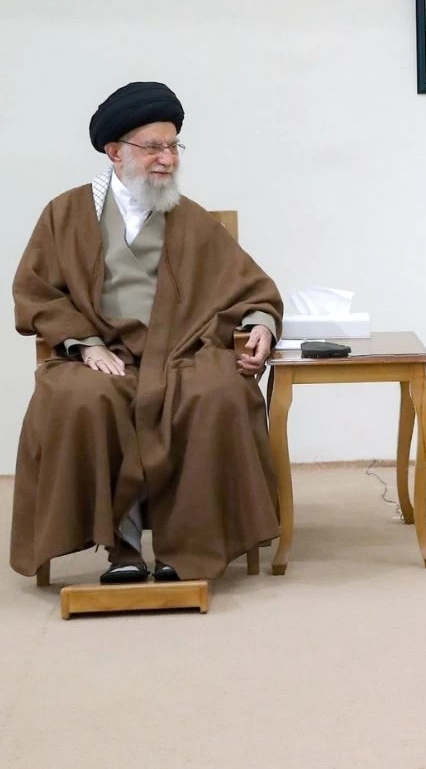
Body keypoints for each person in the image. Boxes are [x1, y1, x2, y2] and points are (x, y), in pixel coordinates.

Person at [11, 81, 285, 584]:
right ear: (115, 152)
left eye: (174, 147)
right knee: (80, 398)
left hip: (180, 352)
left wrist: (261, 326)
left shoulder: (191, 219)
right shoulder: (65, 214)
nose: (167, 159)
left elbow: (252, 289)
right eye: (154, 147)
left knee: (218, 393)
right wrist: (85, 344)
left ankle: (191, 548)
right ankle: (124, 551)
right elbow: (37, 292)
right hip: (101, 353)